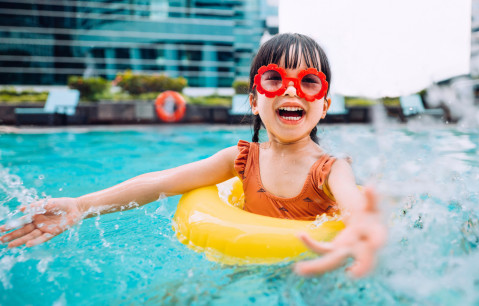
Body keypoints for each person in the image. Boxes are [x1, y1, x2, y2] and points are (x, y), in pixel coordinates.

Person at [0, 33, 386, 278]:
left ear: (324, 104)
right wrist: (80, 206)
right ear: (254, 100)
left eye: (309, 82)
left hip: (315, 270)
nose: (292, 91)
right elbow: (159, 182)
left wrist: (364, 227)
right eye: (274, 78)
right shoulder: (241, 159)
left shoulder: (331, 170)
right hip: (247, 266)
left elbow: (355, 203)